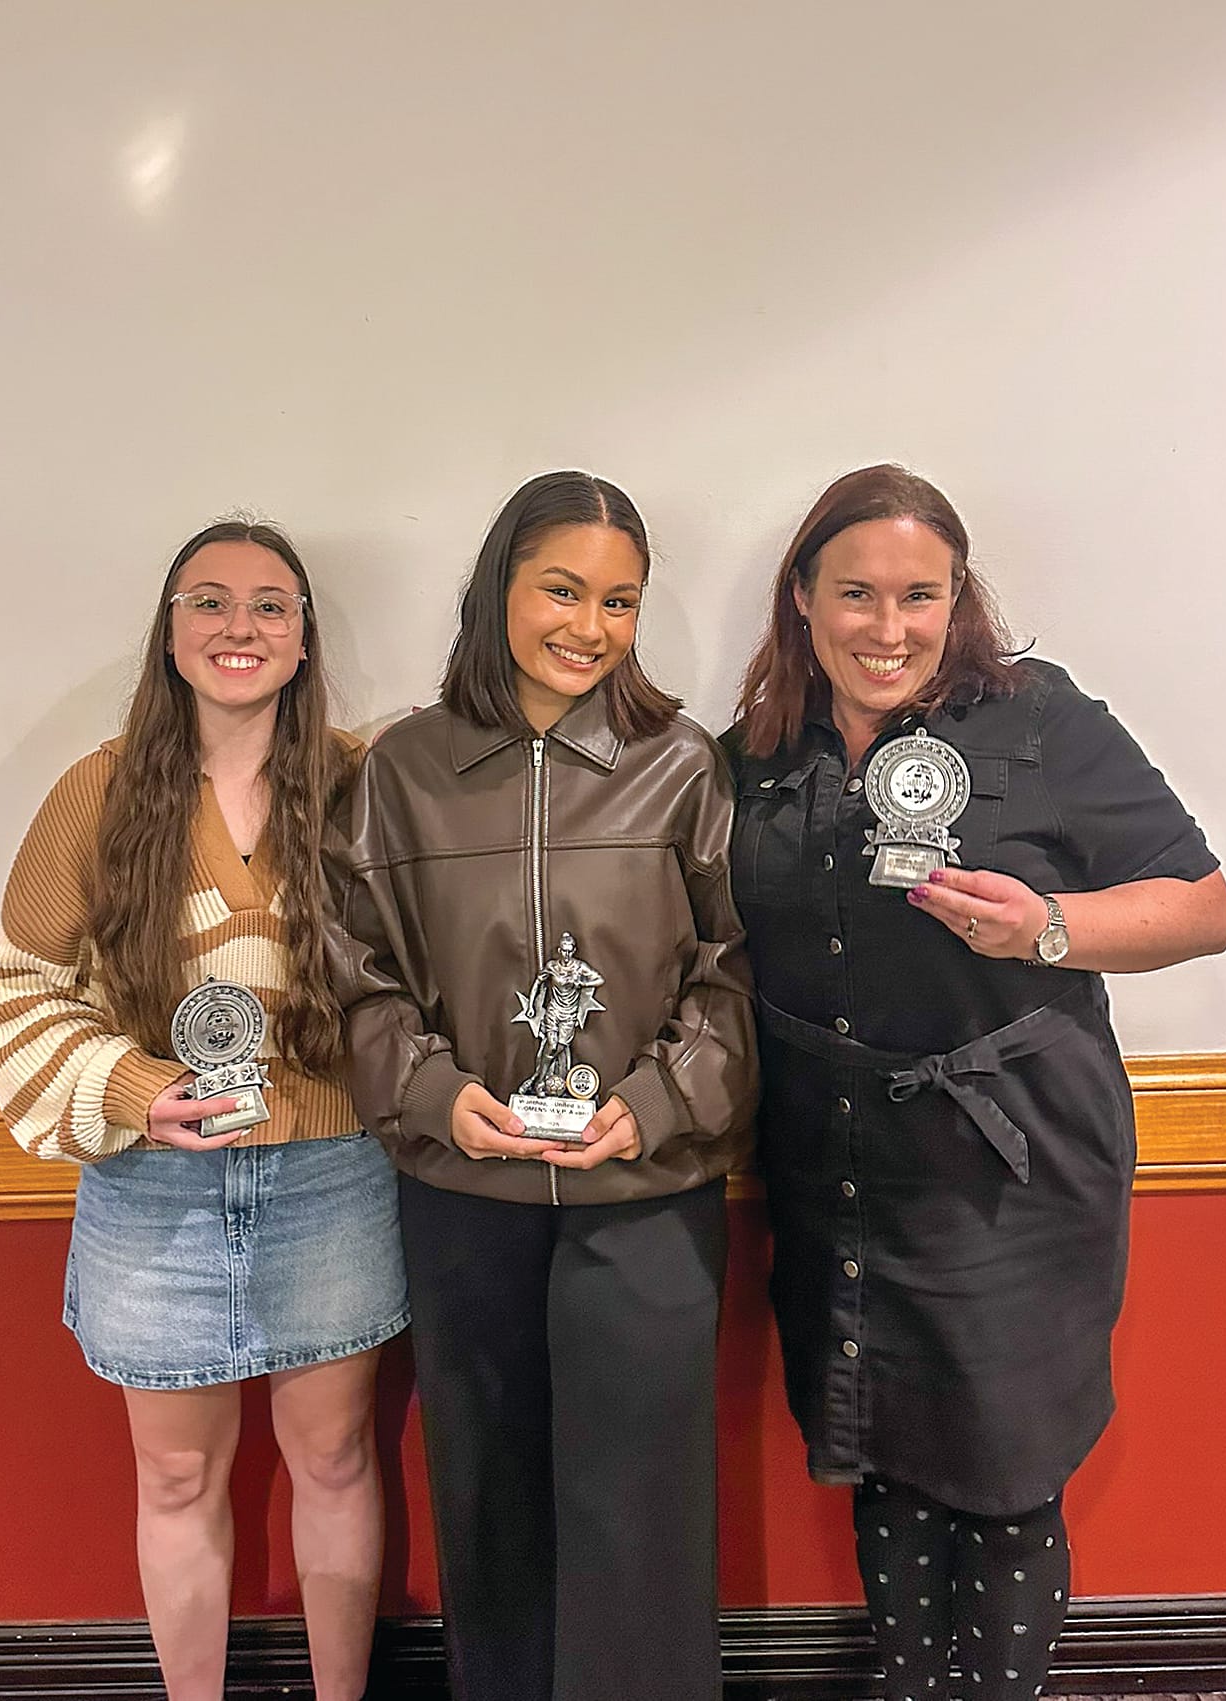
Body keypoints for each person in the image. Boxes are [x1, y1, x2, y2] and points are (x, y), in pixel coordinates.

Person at [722, 465, 1226, 1701]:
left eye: (919, 597)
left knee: (1005, 1477)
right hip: (839, 1161)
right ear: (801, 596)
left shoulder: (1038, 720)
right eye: (854, 593)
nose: (886, 629)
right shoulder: (752, 754)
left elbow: (1202, 907)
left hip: (1014, 1165)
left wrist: (1047, 927)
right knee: (887, 1454)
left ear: (959, 601)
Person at [326, 470, 758, 1701]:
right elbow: (357, 975)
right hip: (467, 1190)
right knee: (489, 1499)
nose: (590, 625)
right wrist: (429, 1091)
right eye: (562, 589)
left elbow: (731, 975)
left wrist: (663, 1101)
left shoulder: (680, 764)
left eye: (620, 600)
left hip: (645, 1193)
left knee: (644, 1514)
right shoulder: (401, 769)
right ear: (496, 587)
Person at [0, 520, 408, 1701]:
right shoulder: (101, 792)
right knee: (172, 1482)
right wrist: (132, 1088)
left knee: (333, 1456)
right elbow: (18, 984)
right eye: (208, 602)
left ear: (305, 636)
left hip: (331, 1175)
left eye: (271, 605)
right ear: (169, 634)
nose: (240, 627)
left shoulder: (366, 782)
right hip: (150, 1191)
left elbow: (428, 979)